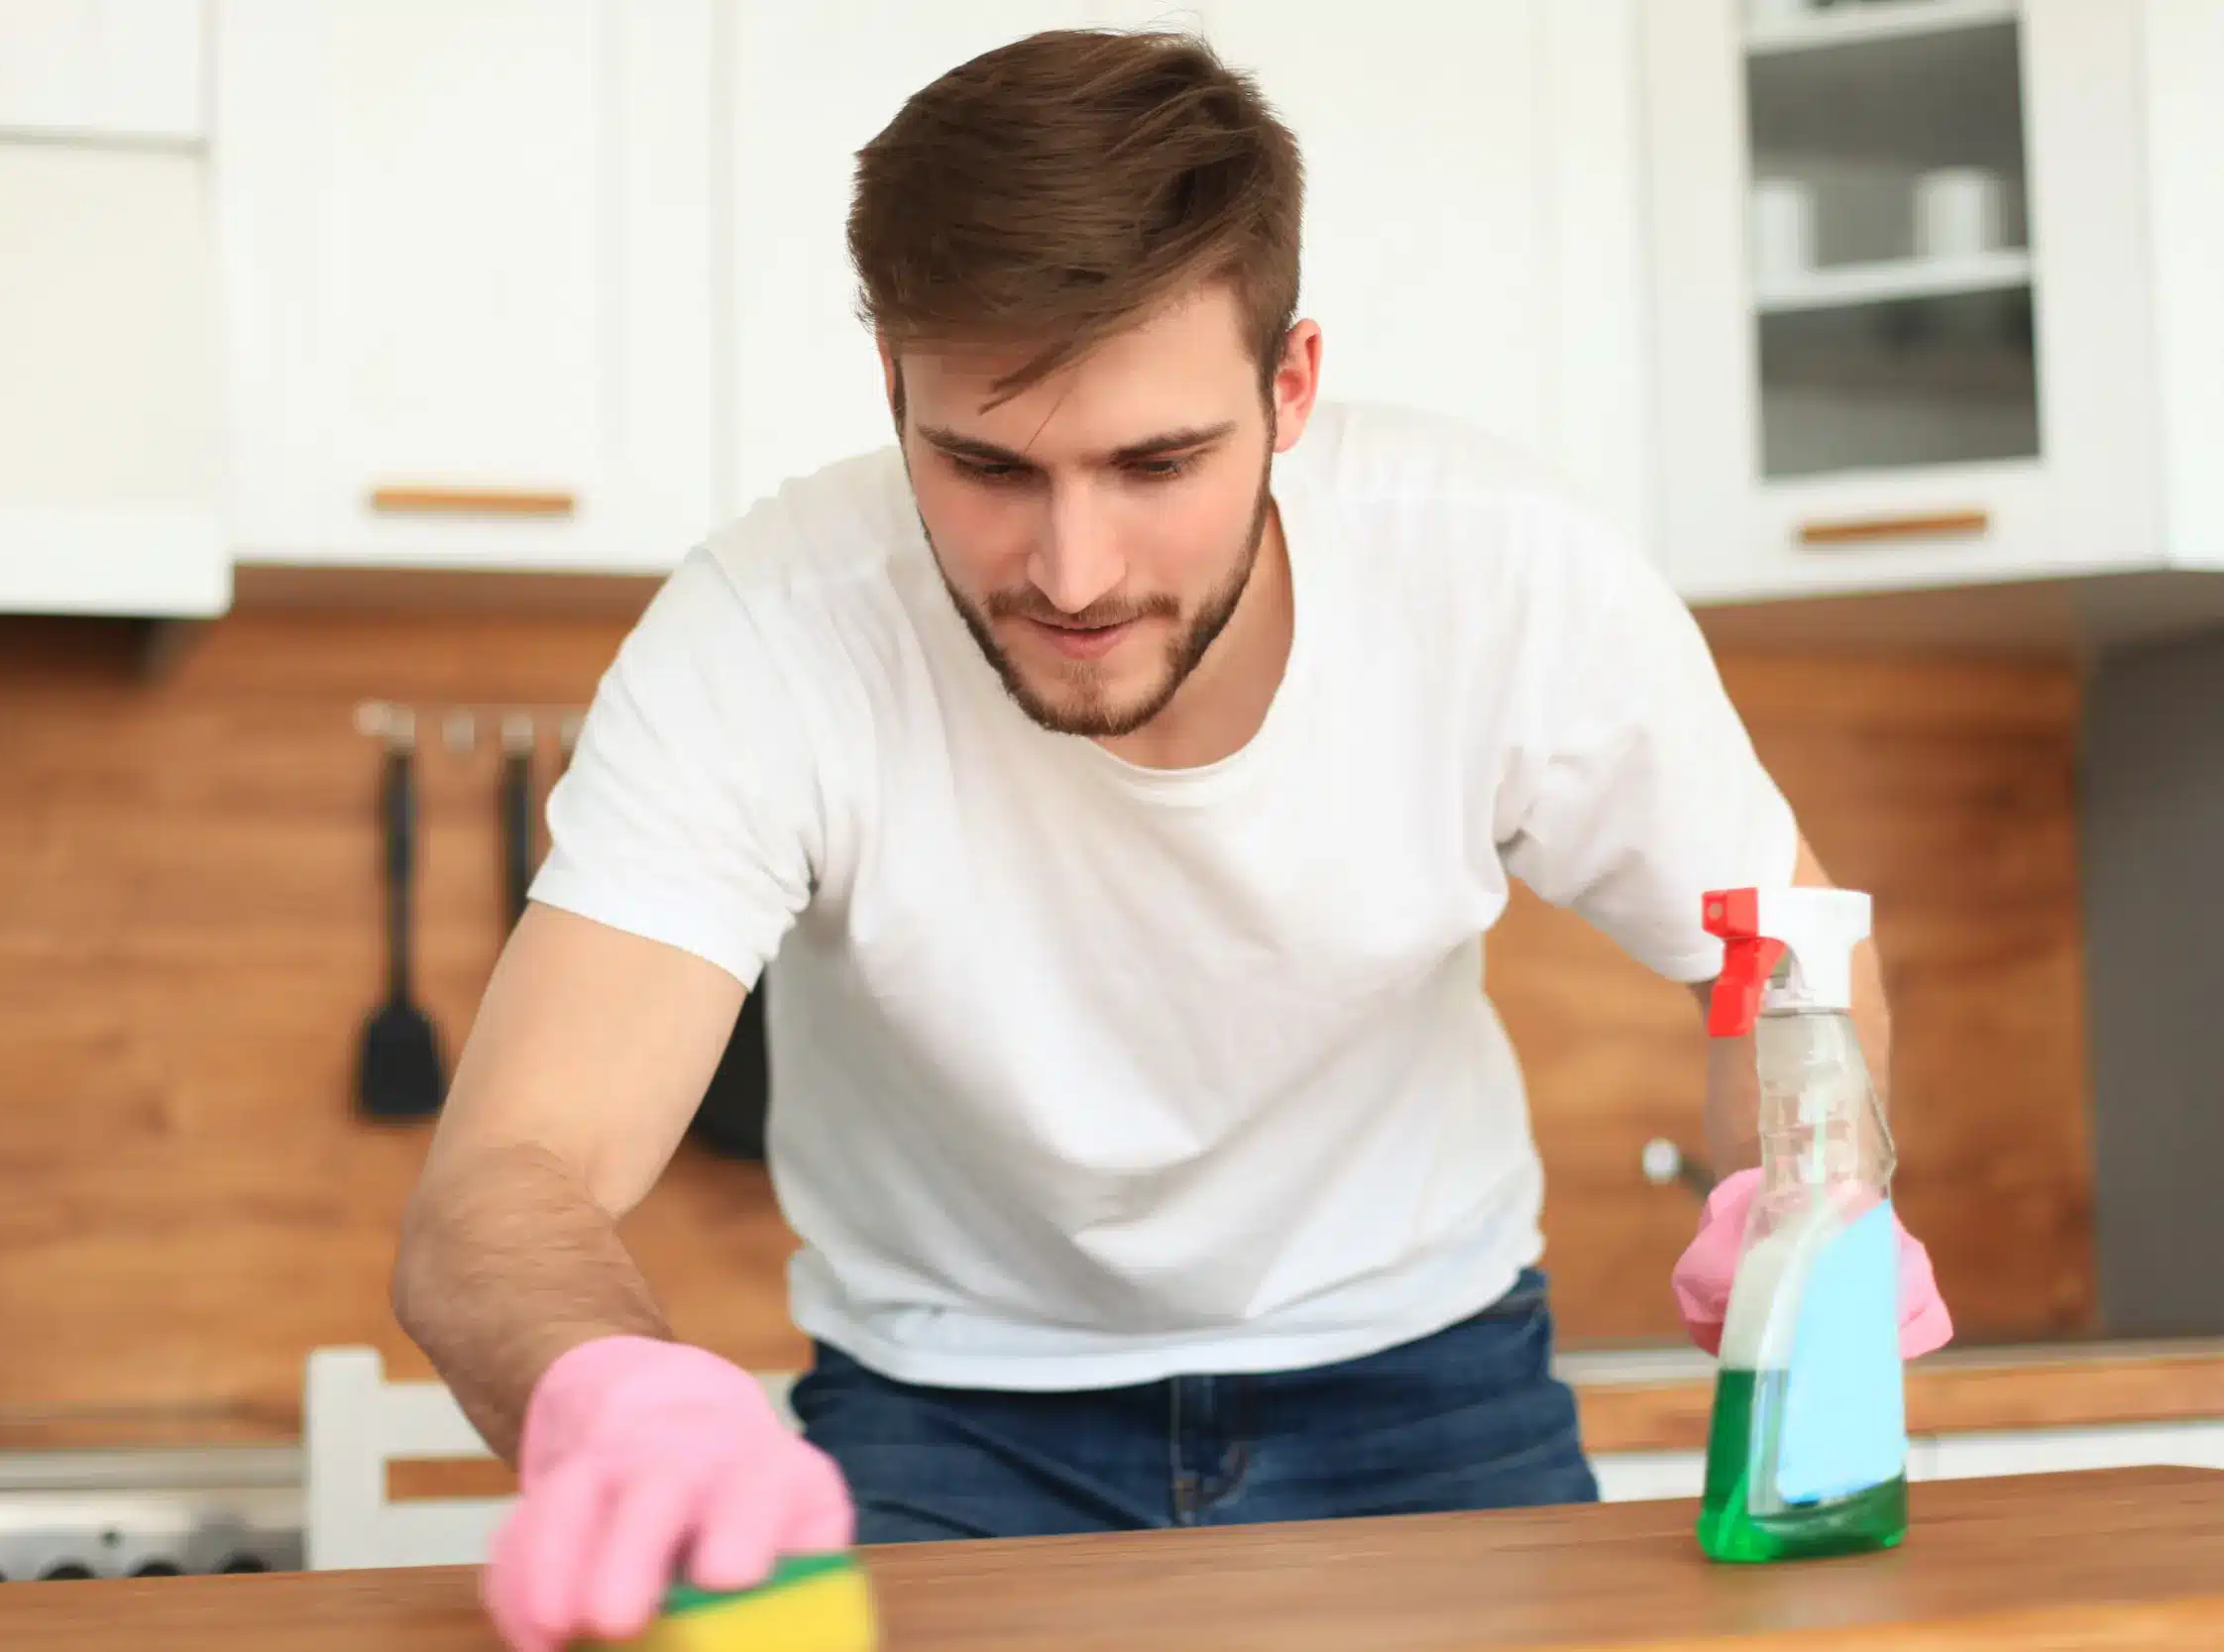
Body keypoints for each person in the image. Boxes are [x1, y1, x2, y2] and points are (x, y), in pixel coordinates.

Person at [389, 26, 1953, 1652]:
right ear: (892, 391)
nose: (1072, 569)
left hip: (1430, 1394)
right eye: (987, 464)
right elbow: (503, 1176)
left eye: (1157, 463)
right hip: (946, 1424)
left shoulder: (1503, 576)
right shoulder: (767, 633)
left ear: (1291, 389)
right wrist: (610, 1396)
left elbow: (1778, 940)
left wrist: (1798, 1183)